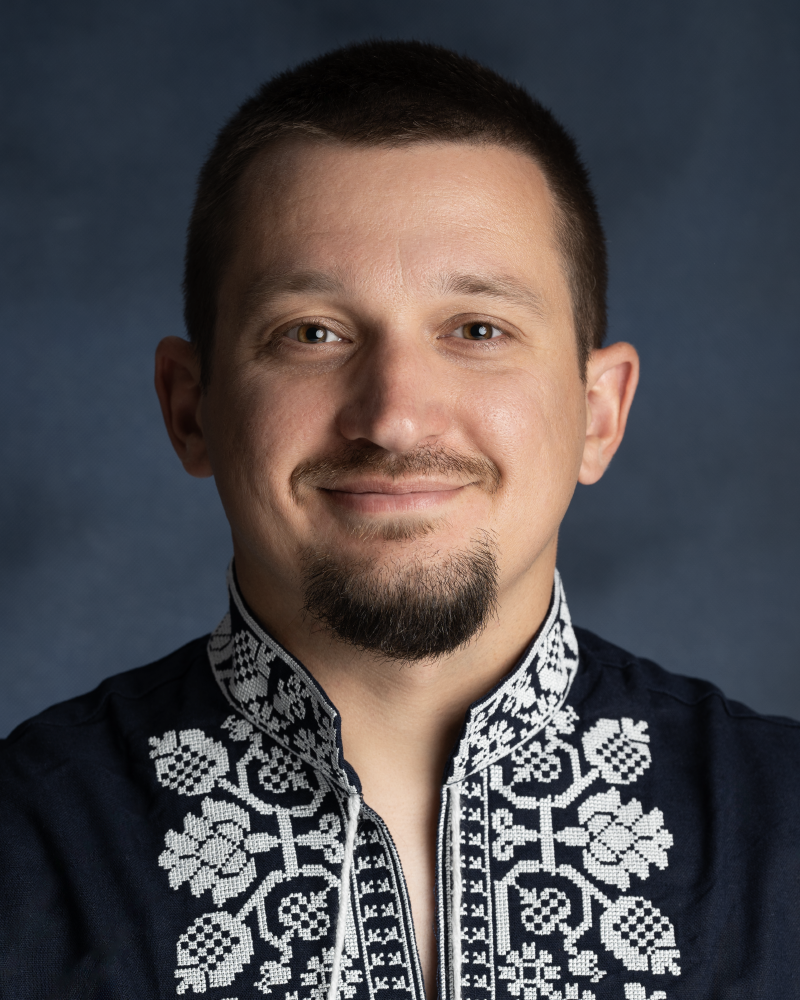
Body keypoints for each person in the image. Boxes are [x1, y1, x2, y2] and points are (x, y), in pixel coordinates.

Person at [1, 39, 797, 1000]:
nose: (394, 417)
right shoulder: (25, 844)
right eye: (312, 333)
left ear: (599, 414)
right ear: (190, 407)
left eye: (478, 330)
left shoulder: (784, 827)